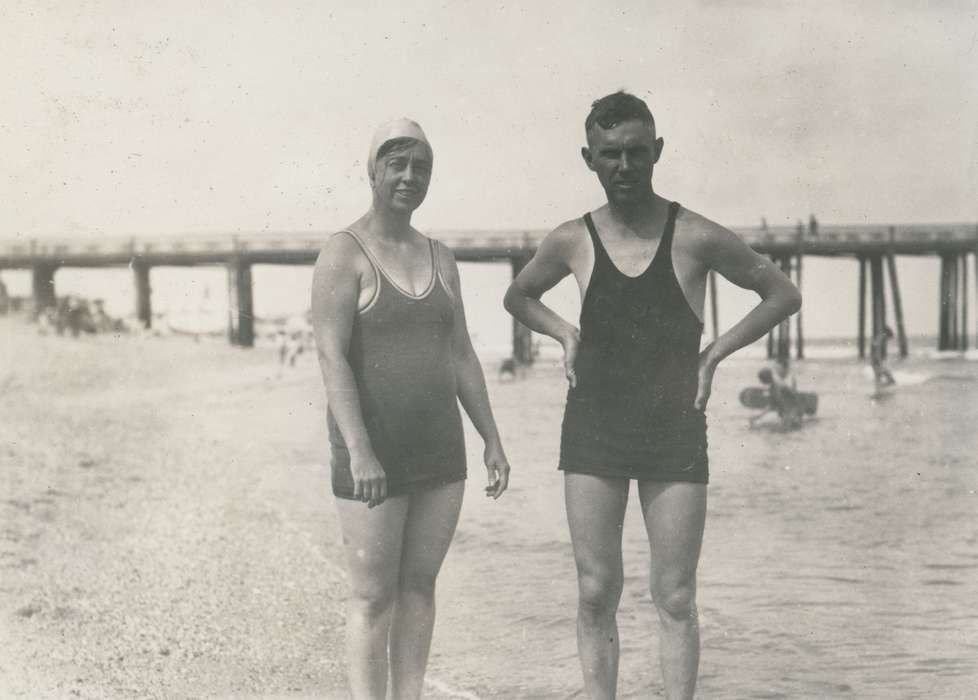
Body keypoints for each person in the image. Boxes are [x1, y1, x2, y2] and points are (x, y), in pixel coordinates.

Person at [504, 92, 801, 699]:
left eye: (637, 152)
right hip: (593, 427)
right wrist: (564, 331)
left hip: (674, 427)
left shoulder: (695, 234)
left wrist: (714, 353)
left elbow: (781, 294)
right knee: (594, 590)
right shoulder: (572, 239)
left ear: (657, 152)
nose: (625, 166)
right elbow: (519, 295)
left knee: (675, 595)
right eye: (610, 154)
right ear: (589, 158)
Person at [311, 118, 511, 700]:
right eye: (396, 163)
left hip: (440, 451)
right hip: (372, 453)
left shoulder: (442, 257)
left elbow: (463, 356)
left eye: (420, 166)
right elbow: (331, 358)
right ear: (371, 170)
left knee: (420, 588)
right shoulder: (343, 253)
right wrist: (361, 453)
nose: (408, 176)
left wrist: (491, 438)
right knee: (373, 597)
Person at [870, 326, 896, 391]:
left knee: (878, 379)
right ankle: (880, 390)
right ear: (887, 334)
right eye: (889, 338)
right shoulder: (881, 339)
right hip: (877, 363)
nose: (889, 340)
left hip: (875, 363)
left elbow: (875, 350)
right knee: (892, 381)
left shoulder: (879, 338)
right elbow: (877, 352)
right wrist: (880, 363)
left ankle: (878, 392)